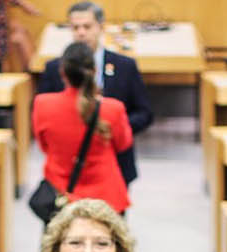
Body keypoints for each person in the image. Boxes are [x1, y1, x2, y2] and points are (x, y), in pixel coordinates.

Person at [38, 1, 152, 182]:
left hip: (115, 162)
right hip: (67, 168)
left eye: (87, 26)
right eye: (75, 27)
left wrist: (114, 128)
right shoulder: (54, 68)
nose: (81, 32)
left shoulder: (124, 66)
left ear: (101, 27)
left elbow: (144, 112)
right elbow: (41, 117)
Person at [33, 44, 136, 214]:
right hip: (105, 198)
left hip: (61, 195)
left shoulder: (42, 104)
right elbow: (123, 144)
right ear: (95, 71)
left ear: (62, 73)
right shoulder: (113, 109)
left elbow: (44, 146)